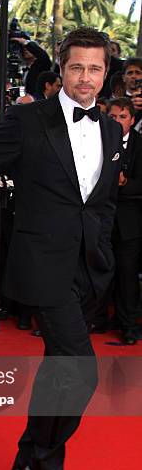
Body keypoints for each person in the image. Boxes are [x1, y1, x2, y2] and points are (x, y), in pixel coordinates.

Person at [0, 28, 122, 470]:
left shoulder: (112, 129)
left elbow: (102, 201)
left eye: (95, 68)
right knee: (81, 370)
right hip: (42, 264)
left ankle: (27, 457)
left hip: (90, 268)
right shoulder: (28, 120)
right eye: (77, 68)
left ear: (104, 72)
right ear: (61, 71)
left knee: (59, 367)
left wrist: (103, 251)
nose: (86, 78)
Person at [107, 97, 142, 345]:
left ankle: (129, 326)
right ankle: (97, 319)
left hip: (129, 222)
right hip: (100, 219)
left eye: (122, 117)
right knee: (97, 271)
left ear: (132, 119)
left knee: (128, 275)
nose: (117, 122)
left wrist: (124, 184)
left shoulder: (140, 145)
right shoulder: (99, 142)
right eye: (112, 117)